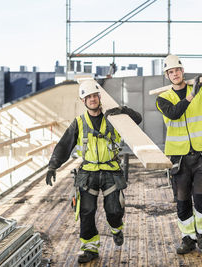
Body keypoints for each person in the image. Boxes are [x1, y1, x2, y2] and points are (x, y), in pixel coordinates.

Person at [46, 80, 142, 263]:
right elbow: (64, 144)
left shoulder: (114, 118)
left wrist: (124, 111)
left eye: (94, 96)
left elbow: (137, 119)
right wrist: (53, 165)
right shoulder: (79, 123)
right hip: (88, 171)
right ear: (83, 101)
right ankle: (90, 248)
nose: (92, 99)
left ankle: (116, 228)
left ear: (100, 97)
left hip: (111, 170)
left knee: (114, 210)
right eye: (88, 97)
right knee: (87, 210)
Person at [156, 55, 202, 254]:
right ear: (167, 75)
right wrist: (191, 96)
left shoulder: (201, 91)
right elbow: (174, 114)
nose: (175, 74)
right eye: (171, 72)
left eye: (177, 70)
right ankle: (188, 238)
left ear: (182, 71)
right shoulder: (163, 98)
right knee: (182, 199)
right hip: (178, 157)